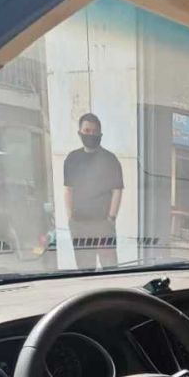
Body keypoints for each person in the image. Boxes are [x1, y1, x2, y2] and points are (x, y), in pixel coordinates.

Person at [63, 113, 123, 270]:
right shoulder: (72, 159)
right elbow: (68, 190)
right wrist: (70, 218)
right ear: (80, 132)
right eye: (87, 130)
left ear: (100, 134)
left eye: (94, 131)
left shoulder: (110, 159)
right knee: (85, 269)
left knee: (110, 268)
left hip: (103, 224)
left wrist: (111, 218)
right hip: (79, 225)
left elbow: (117, 190)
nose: (90, 134)